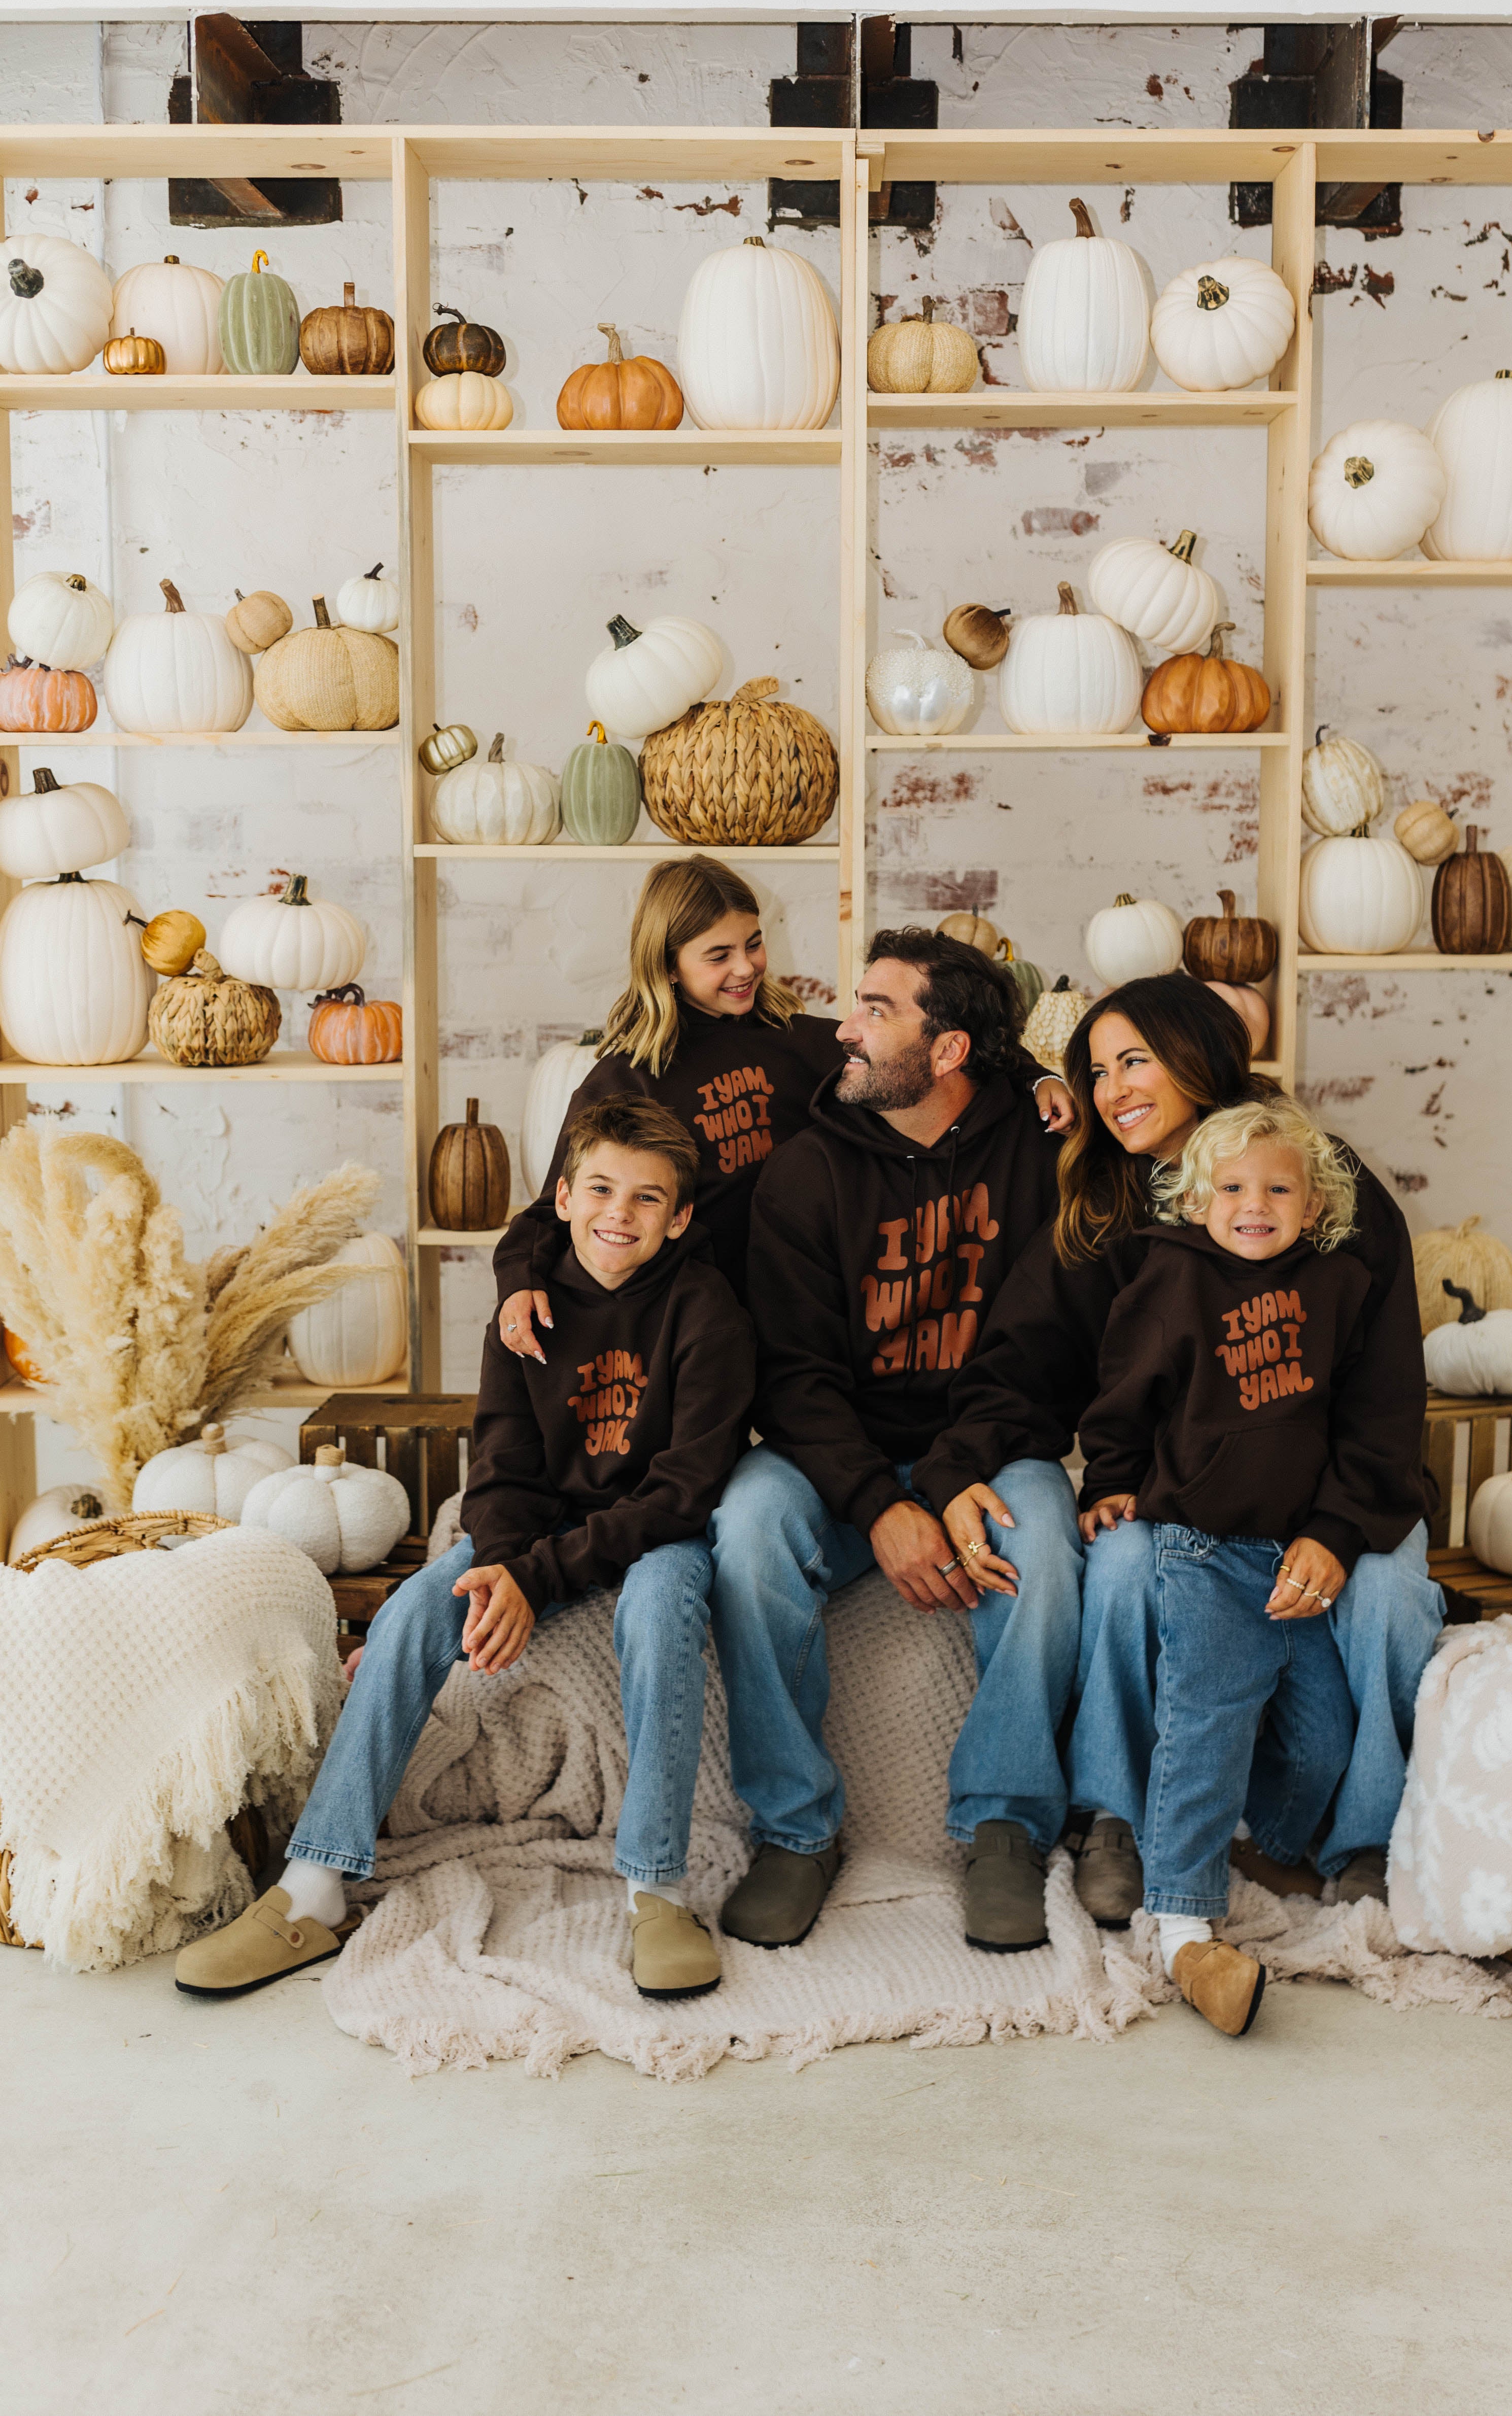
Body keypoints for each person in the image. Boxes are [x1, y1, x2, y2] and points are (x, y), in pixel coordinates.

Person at [176, 1099, 754, 2006]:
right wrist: (502, 1564)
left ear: (679, 1218)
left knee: (662, 1606)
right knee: (411, 1610)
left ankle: (657, 1888)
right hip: (536, 1531)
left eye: (648, 1200)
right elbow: (501, 1465)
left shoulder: (704, 1309)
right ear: (561, 1197)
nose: (620, 1213)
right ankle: (316, 1888)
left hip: (655, 1534)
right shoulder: (526, 1312)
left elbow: (686, 1487)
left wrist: (538, 1578)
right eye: (601, 1188)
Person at [931, 972, 1444, 1923]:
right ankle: (1114, 1818)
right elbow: (1022, 1365)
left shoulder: (1311, 1178)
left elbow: (1384, 1393)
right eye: (1095, 1070)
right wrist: (957, 1468)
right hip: (1196, 1496)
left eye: (1135, 1061)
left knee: (1382, 1591)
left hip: (1343, 1485)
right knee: (1121, 1564)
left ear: (1197, 1056)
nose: (1112, 1088)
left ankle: (1370, 1838)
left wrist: (1337, 1527)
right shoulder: (1105, 1203)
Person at [706, 929, 1085, 1958]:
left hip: (986, 1441)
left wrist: (952, 1477)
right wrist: (881, 1506)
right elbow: (793, 1377)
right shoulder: (806, 1171)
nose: (844, 1025)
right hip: (836, 1453)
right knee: (746, 1531)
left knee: (1044, 1540)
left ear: (951, 1048)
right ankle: (795, 1829)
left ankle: (1003, 1825)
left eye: (875, 1008)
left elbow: (1035, 1351)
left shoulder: (1040, 1155)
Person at [1077, 1097, 1427, 2036]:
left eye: (1277, 1188)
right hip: (1203, 1546)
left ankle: (1265, 1845)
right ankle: (1183, 1919)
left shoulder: (1343, 1287)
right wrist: (1110, 1482)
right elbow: (1119, 1402)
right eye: (1230, 1187)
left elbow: (1370, 1420)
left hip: (1297, 1557)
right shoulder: (1165, 1280)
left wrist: (1334, 1528)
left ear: (1313, 1205)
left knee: (1318, 1737)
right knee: (1209, 1715)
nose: (1253, 1203)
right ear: (1196, 1202)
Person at [493, 854, 1076, 1341]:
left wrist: (1034, 1078)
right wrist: (520, 1281)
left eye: (753, 943)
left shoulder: (802, 1043)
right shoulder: (629, 1079)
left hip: (812, 1313)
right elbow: (555, 1207)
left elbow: (944, 1049)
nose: (745, 968)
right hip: (695, 1324)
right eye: (718, 956)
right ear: (668, 964)